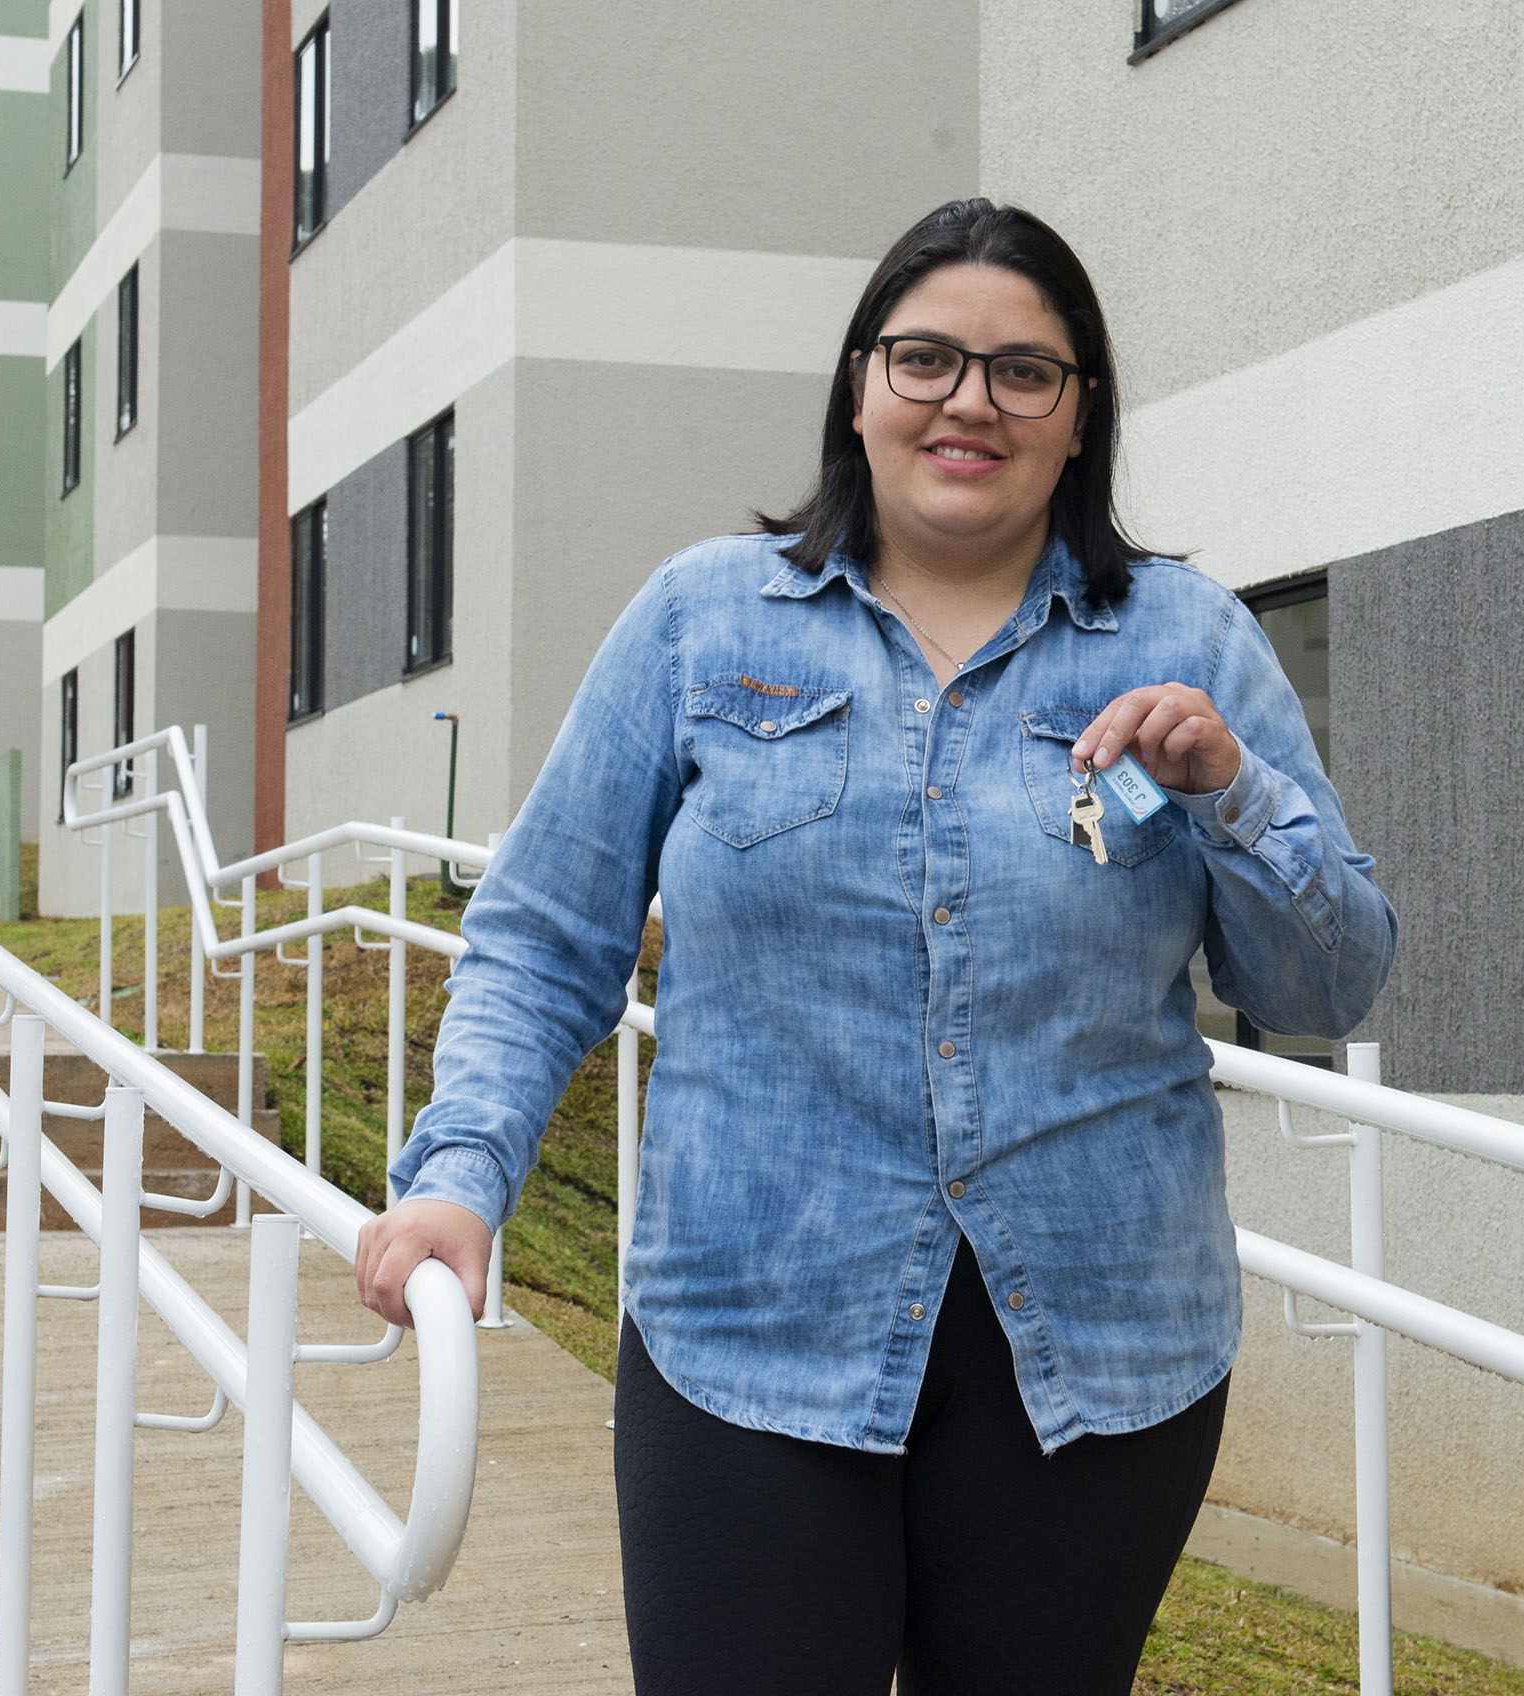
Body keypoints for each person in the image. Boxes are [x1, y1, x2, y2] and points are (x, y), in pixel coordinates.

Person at [352, 198, 1396, 1694]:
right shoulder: (701, 622)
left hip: (1097, 1369)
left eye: (1024, 371)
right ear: (859, 387)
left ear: (1080, 418)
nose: (971, 399)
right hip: (749, 1335)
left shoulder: (1192, 639)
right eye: (927, 358)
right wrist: (463, 1180)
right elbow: (541, 937)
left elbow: (1327, 981)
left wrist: (1235, 794)